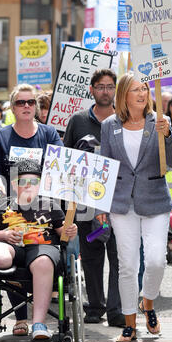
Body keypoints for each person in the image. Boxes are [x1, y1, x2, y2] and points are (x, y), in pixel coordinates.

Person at [96, 72, 172, 342]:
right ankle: (129, 323)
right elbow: (104, 167)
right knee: (127, 265)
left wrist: (167, 135)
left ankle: (149, 302)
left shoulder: (159, 121)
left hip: (155, 201)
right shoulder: (110, 125)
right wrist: (100, 205)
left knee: (156, 260)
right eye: (135, 89)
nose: (142, 93)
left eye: (144, 88)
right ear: (124, 95)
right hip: (121, 204)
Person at [0, 83, 63, 336]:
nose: (27, 106)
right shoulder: (1, 135)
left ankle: (39, 322)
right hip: (9, 203)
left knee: (49, 250)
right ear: (13, 106)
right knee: (6, 254)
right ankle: (20, 316)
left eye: (31, 102)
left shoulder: (49, 134)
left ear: (37, 107)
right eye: (21, 102)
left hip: (42, 207)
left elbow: (58, 169)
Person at [0, 159, 77, 340]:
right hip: (12, 248)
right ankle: (21, 317)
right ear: (14, 185)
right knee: (0, 257)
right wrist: (4, 234)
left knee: (42, 262)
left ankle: (38, 324)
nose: (27, 186)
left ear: (40, 184)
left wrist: (71, 230)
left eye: (33, 182)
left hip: (43, 249)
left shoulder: (50, 205)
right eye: (22, 182)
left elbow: (64, 234)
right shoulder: (1, 205)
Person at [63, 68, 125, 327]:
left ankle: (116, 309)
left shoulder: (124, 118)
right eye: (100, 86)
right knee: (91, 254)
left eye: (110, 86)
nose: (105, 91)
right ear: (91, 89)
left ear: (115, 90)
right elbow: (65, 158)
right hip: (87, 202)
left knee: (118, 254)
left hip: (118, 200)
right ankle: (96, 306)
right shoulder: (77, 121)